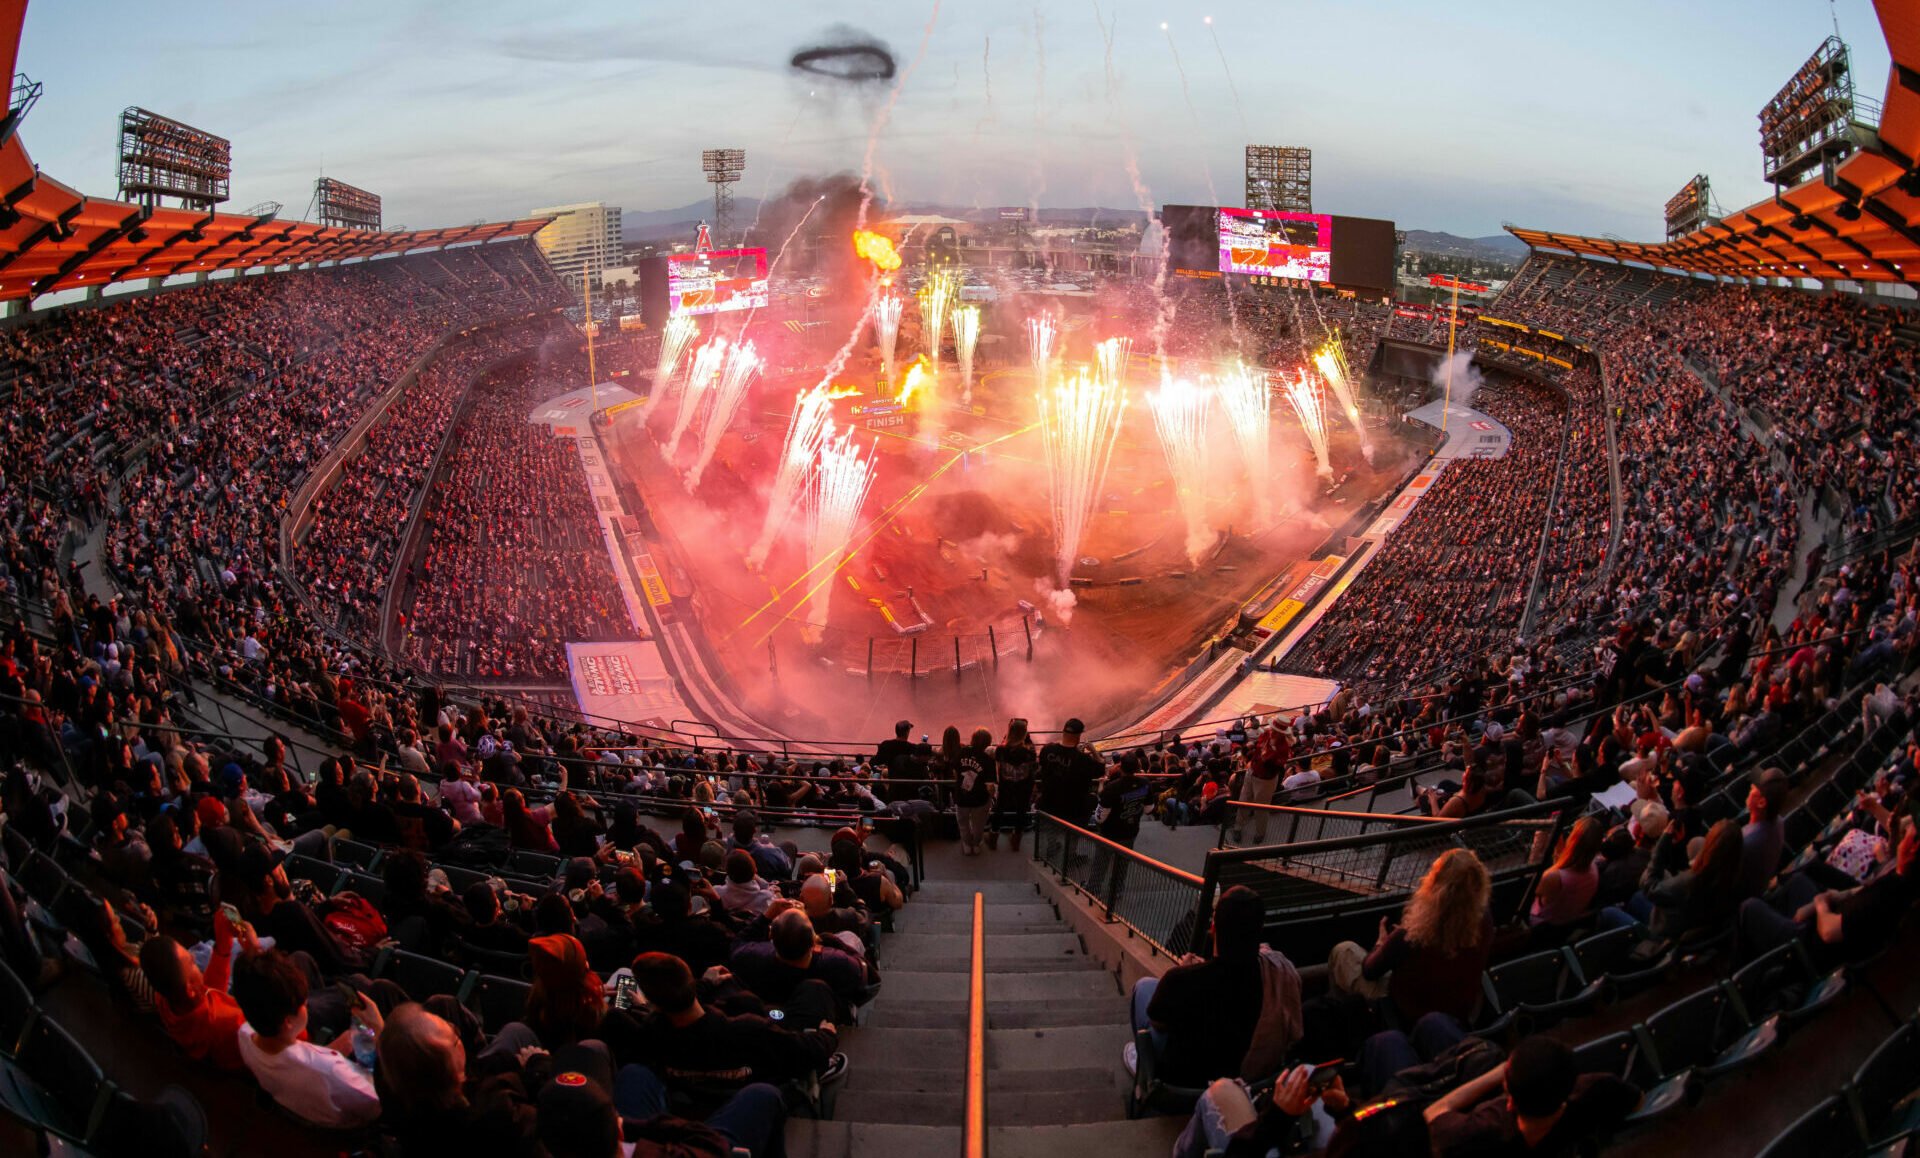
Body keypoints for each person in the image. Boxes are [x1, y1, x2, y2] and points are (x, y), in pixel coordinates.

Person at [1128, 886, 1297, 1088]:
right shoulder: (1275, 974)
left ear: (1214, 928)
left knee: (1143, 987)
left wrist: (1183, 973)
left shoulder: (1181, 980)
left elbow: (1158, 1022)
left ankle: (1144, 1062)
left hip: (1183, 1082)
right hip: (1246, 1076)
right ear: (1259, 929)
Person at [627, 952, 844, 1090]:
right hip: (765, 1079)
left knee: (737, 992)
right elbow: (804, 1050)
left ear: (653, 1003)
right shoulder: (749, 1030)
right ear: (691, 983)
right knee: (815, 988)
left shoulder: (647, 1034)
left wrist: (641, 1009)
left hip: (697, 1091)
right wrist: (826, 1035)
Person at [1330, 848, 1494, 1026]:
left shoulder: (1414, 933)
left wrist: (1381, 944)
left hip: (1405, 1013)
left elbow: (1370, 970)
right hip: (1455, 1011)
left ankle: (1340, 1022)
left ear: (1435, 883)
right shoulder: (1484, 920)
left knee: (1343, 951)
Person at [231, 948, 384, 1128]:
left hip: (307, 1098)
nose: (307, 1006)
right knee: (382, 990)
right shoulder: (332, 1070)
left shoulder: (244, 1035)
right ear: (288, 1021)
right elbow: (380, 1105)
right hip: (348, 1122)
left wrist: (328, 1051)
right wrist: (379, 1030)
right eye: (304, 1004)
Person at [1425, 1035, 1640, 1156]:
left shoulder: (1483, 1129)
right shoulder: (1597, 1089)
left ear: (1510, 1102)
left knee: (1401, 1038)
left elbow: (1432, 1112)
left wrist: (1493, 1075)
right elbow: (1638, 1100)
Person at [375, 1003, 541, 1158]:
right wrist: (539, 1067)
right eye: (454, 1036)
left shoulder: (397, 1102)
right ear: (455, 1073)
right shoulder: (498, 1111)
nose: (455, 1028)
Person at [140, 906, 257, 1071]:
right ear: (189, 989)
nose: (194, 956)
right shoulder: (229, 1022)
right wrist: (257, 958)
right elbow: (274, 1030)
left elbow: (208, 994)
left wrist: (223, 943)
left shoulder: (165, 999)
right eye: (191, 963)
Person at [731, 909, 869, 1019]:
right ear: (814, 940)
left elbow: (737, 944)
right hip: (825, 1019)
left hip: (775, 1008)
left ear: (770, 936)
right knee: (850, 937)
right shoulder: (837, 961)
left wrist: (766, 916)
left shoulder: (752, 956)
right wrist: (831, 940)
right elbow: (864, 975)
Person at [1527, 817, 1604, 931]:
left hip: (1542, 926)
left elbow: (1529, 886)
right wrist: (1558, 841)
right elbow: (1567, 864)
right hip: (1567, 925)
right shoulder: (1594, 869)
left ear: (1573, 839)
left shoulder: (1552, 878)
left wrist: (1537, 847)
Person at [1036, 718, 1101, 825]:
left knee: (1049, 837)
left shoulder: (1047, 750)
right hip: (1074, 810)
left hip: (1049, 806)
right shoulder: (1083, 759)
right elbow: (1100, 770)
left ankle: (1052, 842)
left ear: (1063, 732)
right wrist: (1094, 751)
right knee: (1072, 838)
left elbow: (1041, 769)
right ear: (1078, 736)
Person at [1736, 767, 1788, 899]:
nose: (1750, 788)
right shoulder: (1779, 822)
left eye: (1753, 788)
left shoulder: (1745, 841)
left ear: (1761, 802)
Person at [987, 718, 1037, 851]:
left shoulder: (1000, 750)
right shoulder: (1030, 753)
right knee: (1022, 811)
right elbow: (1033, 769)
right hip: (1024, 787)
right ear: (1024, 734)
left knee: (999, 810)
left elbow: (997, 765)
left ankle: (993, 838)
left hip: (1005, 785)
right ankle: (1016, 841)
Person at [949, 727, 996, 856]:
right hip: (980, 799)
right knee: (979, 825)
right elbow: (990, 785)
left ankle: (966, 844)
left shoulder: (962, 751)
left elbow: (955, 770)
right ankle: (975, 844)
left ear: (973, 739)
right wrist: (991, 798)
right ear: (988, 743)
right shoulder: (988, 760)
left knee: (963, 822)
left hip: (962, 796)